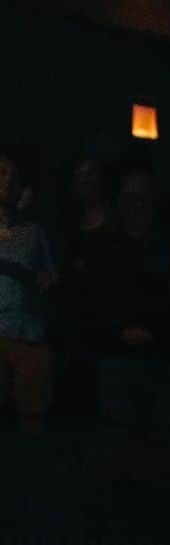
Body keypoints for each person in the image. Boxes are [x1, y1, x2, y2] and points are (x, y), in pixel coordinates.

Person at [0, 151, 56, 435]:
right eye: (0, 173)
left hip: (27, 338)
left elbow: (48, 280)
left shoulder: (33, 233)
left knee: (30, 427)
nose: (5, 181)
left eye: (10, 174)